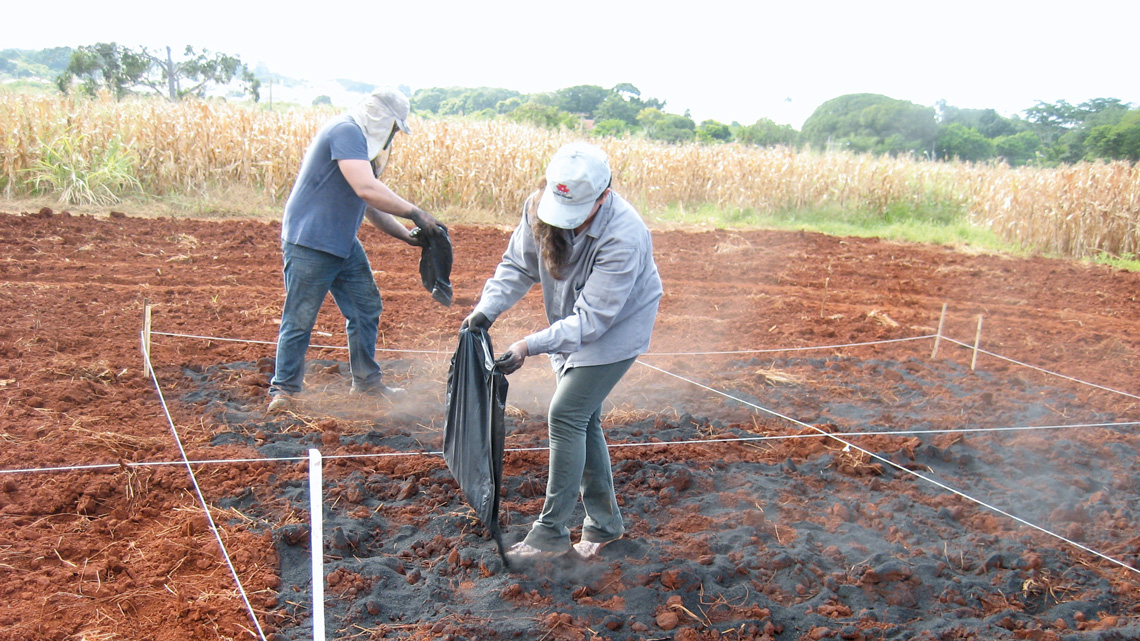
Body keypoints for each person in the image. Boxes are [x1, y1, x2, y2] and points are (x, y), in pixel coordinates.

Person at [462, 141, 663, 560]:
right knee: (582, 420)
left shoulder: (624, 234)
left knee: (567, 412)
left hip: (615, 328)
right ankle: (605, 526)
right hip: (568, 320)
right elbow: (518, 264)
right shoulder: (540, 204)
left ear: (603, 196)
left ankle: (551, 533)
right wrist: (486, 310)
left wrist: (529, 345)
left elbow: (592, 322)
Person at [268, 87, 442, 414]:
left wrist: (406, 235)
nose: (392, 137)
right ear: (384, 120)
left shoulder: (358, 145)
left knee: (365, 307)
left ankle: (366, 381)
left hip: (341, 241)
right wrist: (416, 213)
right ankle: (284, 389)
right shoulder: (346, 132)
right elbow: (367, 188)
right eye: (393, 128)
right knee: (301, 316)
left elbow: (369, 202)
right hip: (311, 240)